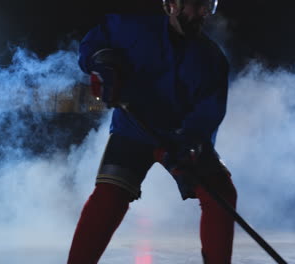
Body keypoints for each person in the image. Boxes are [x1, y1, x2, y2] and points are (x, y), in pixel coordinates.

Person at [68, 0, 237, 263]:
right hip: (132, 131)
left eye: (210, 5)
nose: (205, 12)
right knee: (110, 194)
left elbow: (209, 114)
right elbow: (95, 43)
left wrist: (189, 145)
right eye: (199, 4)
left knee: (222, 194)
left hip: (181, 139)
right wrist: (103, 62)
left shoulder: (213, 59)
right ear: (172, 4)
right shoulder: (130, 29)